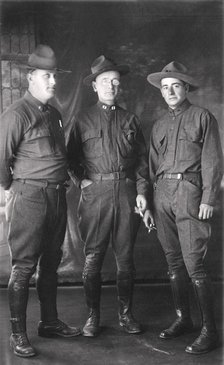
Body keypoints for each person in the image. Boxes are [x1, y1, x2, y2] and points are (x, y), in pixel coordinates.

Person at [0, 44, 81, 358]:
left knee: (51, 265)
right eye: (46, 75)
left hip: (57, 197)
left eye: (55, 75)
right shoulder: (16, 113)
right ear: (30, 77)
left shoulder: (55, 114)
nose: (53, 81)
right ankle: (17, 335)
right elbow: (1, 158)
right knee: (23, 268)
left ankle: (49, 322)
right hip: (30, 196)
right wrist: (10, 188)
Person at [67, 55, 153, 337]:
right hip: (96, 197)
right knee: (93, 258)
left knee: (125, 260)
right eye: (105, 81)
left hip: (126, 195)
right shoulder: (82, 120)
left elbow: (142, 163)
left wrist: (141, 193)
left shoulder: (131, 119)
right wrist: (82, 183)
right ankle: (92, 316)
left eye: (115, 81)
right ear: (94, 86)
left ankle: (126, 315)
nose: (111, 86)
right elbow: (70, 159)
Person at [144, 61, 223, 354]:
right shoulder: (159, 125)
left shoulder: (202, 117)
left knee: (194, 263)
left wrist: (208, 198)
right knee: (173, 263)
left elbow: (212, 160)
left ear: (186, 88)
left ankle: (209, 330)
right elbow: (152, 168)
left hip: (190, 192)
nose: (170, 92)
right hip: (162, 193)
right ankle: (183, 319)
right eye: (165, 88)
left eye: (175, 86)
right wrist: (150, 204)